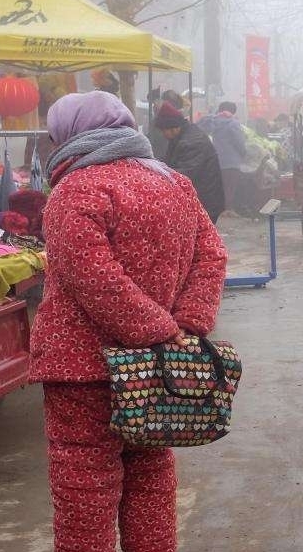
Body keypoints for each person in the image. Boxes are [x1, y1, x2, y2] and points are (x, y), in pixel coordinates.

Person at [32, 91, 227, 552]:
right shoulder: (175, 183)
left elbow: (94, 279)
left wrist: (161, 329)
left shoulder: (75, 190)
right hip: (155, 369)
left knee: (85, 489)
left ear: (66, 134)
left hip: (84, 371)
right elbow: (212, 256)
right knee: (151, 478)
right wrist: (185, 328)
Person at [155, 102, 226, 222]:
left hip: (205, 202)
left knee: (199, 238)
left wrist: (155, 178)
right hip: (199, 200)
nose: (163, 134)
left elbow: (183, 174)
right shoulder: (181, 137)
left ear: (173, 127)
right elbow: (169, 162)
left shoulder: (192, 142)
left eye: (163, 130)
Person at [198, 102, 249, 215]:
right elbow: (239, 143)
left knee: (218, 186)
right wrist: (244, 154)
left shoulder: (212, 121)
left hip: (216, 160)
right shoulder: (233, 123)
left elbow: (199, 127)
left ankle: (218, 209)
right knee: (229, 186)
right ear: (232, 112)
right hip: (231, 161)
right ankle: (227, 210)